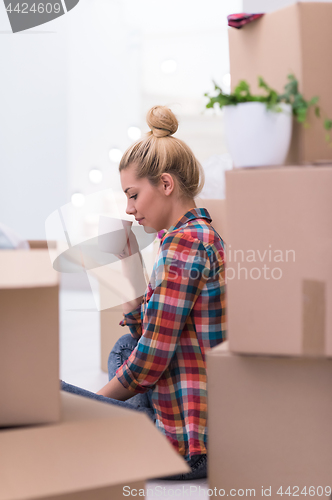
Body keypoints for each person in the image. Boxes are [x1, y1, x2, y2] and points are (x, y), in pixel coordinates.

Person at [61, 105, 226, 480]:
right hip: (183, 410)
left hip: (185, 447)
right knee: (121, 347)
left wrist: (96, 405)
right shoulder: (183, 236)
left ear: (165, 185)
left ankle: (100, 424)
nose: (129, 208)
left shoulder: (186, 246)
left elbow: (151, 358)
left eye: (134, 195)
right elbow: (142, 333)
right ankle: (112, 423)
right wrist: (130, 264)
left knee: (46, 396)